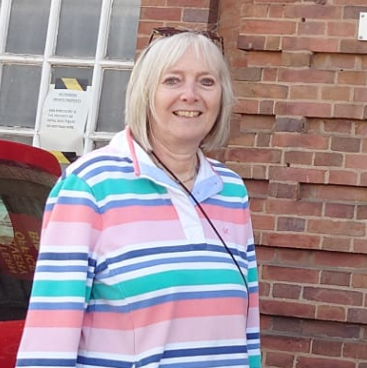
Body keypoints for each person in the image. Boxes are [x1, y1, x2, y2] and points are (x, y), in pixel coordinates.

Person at [16, 29, 261, 368]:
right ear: (145, 93)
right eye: (172, 80)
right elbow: (50, 334)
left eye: (206, 82)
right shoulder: (90, 186)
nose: (190, 95)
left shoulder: (230, 190)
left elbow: (247, 328)